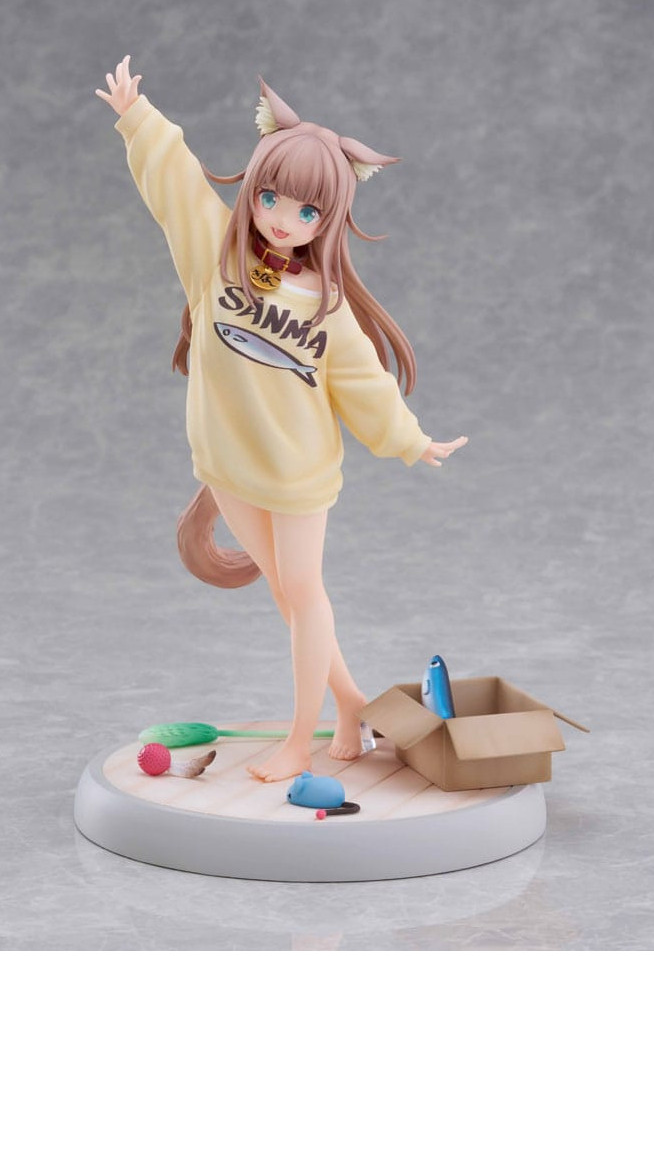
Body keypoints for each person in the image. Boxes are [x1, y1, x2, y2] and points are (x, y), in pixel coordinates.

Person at [95, 57, 468, 782]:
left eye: (306, 212)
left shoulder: (325, 305)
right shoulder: (216, 256)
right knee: (286, 593)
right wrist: (137, 118)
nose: (282, 218)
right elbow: (179, 187)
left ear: (328, 220)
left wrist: (412, 440)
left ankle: (301, 738)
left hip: (297, 476)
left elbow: (363, 383)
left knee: (303, 593)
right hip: (226, 461)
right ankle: (351, 705)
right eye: (270, 197)